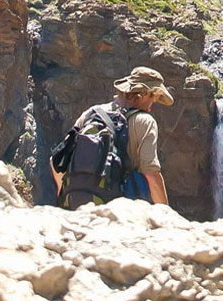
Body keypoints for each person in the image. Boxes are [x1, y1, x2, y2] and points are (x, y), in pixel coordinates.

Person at [51, 66, 175, 208]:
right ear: (145, 94)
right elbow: (151, 173)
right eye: (155, 98)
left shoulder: (91, 113)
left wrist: (65, 195)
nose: (152, 106)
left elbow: (56, 162)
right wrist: (166, 214)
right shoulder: (145, 121)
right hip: (118, 207)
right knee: (140, 180)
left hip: (76, 202)